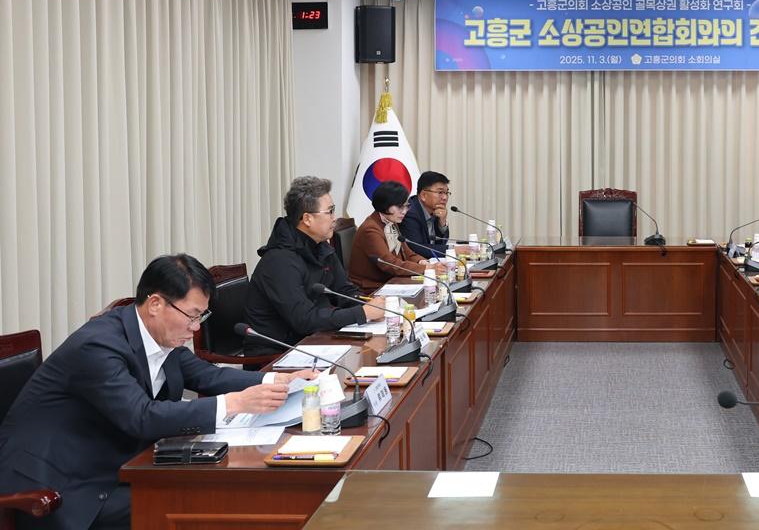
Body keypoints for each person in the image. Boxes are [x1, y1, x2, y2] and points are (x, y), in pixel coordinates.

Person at [0, 255, 317, 530]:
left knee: (213, 489)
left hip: (116, 462)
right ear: (155, 304)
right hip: (65, 485)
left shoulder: (159, 336)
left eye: (200, 317)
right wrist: (234, 404)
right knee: (197, 502)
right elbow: (140, 417)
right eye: (192, 315)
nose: (196, 328)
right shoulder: (98, 346)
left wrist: (277, 382)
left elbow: (205, 375)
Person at [243, 176, 384, 356]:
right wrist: (361, 313)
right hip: (278, 354)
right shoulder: (280, 261)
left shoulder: (320, 246)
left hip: (315, 341)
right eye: (330, 211)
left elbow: (343, 290)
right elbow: (303, 319)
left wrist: (369, 303)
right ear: (307, 219)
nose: (335, 218)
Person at [348, 181, 448, 290]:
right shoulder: (370, 229)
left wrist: (424, 262)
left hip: (392, 282)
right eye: (400, 207)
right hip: (371, 288)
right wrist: (426, 268)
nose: (404, 211)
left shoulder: (391, 222)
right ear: (385, 206)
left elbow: (408, 253)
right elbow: (391, 264)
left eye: (406, 206)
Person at [399, 170, 452, 257]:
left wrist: (442, 223)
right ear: (423, 195)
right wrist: (451, 250)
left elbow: (440, 243)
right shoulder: (410, 212)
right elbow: (417, 248)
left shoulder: (435, 210)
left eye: (446, 193)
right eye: (440, 192)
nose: (445, 197)